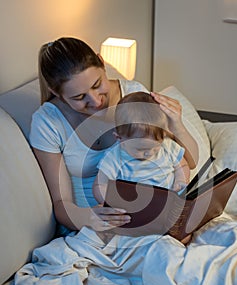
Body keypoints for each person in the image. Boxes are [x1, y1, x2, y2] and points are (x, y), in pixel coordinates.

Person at [29, 37, 198, 236]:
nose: (95, 100)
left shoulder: (133, 95)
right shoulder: (48, 122)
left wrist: (176, 124)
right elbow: (60, 204)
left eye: (97, 84)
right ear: (56, 93)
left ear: (102, 62)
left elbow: (191, 161)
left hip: (155, 215)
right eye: (79, 97)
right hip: (98, 227)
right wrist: (90, 218)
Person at [93, 91, 190, 204]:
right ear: (119, 138)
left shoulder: (167, 146)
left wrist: (180, 180)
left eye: (155, 147)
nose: (149, 153)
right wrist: (112, 202)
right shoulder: (114, 157)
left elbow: (182, 165)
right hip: (133, 208)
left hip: (168, 204)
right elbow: (99, 185)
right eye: (140, 149)